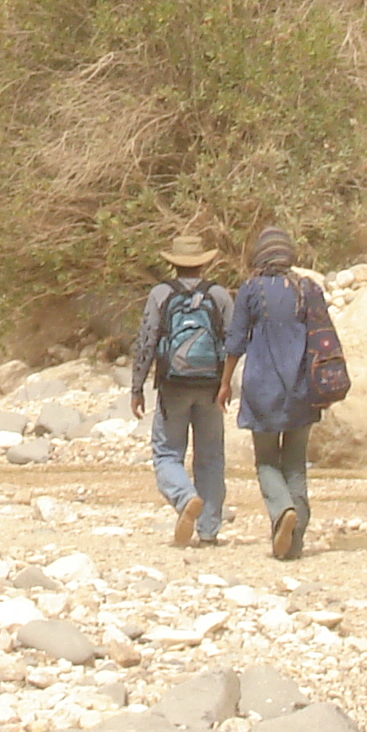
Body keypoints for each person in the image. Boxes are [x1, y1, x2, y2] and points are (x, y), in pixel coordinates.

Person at [128, 231, 233, 546]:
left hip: (172, 387)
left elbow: (146, 341)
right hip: (211, 387)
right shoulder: (220, 295)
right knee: (211, 457)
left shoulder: (161, 294)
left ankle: (185, 497)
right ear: (203, 264)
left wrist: (137, 387)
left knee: (166, 454)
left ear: (174, 264)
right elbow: (234, 343)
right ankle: (209, 530)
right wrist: (227, 385)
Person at [225, 223, 319, 559]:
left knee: (266, 461)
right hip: (301, 389)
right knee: (295, 464)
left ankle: (281, 511)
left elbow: (235, 342)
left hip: (261, 388)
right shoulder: (307, 289)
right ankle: (294, 544)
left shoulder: (251, 290)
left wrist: (224, 384)